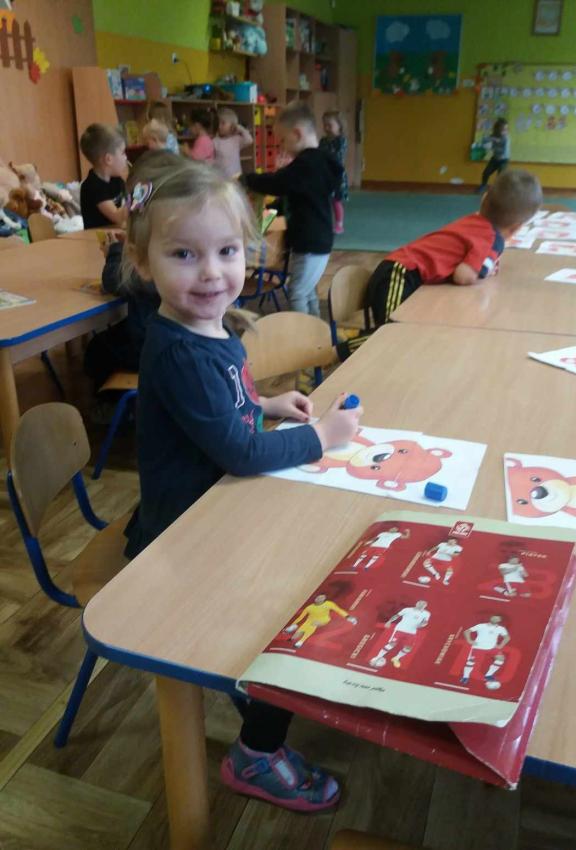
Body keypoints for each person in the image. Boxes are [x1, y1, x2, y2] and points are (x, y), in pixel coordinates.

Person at [122, 156, 363, 811]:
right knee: (295, 616)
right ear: (142, 261)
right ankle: (255, 753)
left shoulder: (208, 325)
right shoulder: (180, 349)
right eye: (184, 254)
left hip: (216, 508)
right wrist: (322, 437)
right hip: (186, 536)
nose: (211, 272)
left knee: (313, 575)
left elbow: (227, 412)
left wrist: (267, 403)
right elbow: (240, 450)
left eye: (226, 251)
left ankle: (261, 699)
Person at [336, 168, 543, 360]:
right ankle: (336, 352)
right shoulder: (491, 238)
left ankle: (353, 337)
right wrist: (482, 271)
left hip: (398, 272)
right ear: (516, 228)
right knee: (394, 332)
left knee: (401, 332)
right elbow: (463, 275)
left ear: (484, 199)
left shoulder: (476, 221)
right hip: (399, 276)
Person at [83, 151, 177, 396]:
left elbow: (114, 281)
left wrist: (115, 252)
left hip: (153, 346)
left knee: (96, 350)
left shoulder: (159, 262)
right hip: (173, 337)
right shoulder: (177, 235)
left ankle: (112, 404)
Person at [243, 101, 343, 316]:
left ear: (297, 134)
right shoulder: (313, 165)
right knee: (307, 291)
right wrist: (265, 218)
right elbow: (288, 200)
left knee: (297, 292)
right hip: (313, 241)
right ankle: (315, 330)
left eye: (282, 140)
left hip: (311, 243)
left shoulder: (308, 165)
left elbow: (277, 183)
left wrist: (247, 180)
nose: (281, 147)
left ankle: (301, 330)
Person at [79, 123, 128, 228]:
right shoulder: (93, 186)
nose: (126, 157)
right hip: (95, 237)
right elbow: (117, 216)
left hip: (114, 233)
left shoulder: (116, 179)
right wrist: (139, 196)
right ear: (108, 159)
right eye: (123, 153)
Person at [319, 110, 348, 234]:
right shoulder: (323, 141)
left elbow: (336, 156)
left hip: (337, 176)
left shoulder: (340, 140)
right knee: (324, 200)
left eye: (330, 125)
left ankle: (339, 224)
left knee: (336, 200)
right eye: (325, 125)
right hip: (325, 175)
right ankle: (325, 223)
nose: (326, 128)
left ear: (339, 126)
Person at [214, 107, 253, 179]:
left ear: (232, 125)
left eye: (223, 123)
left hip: (237, 177)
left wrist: (240, 128)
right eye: (218, 123)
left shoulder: (236, 139)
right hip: (222, 179)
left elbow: (249, 140)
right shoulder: (215, 141)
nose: (219, 126)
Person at [478, 118, 510, 193]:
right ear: (497, 129)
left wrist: (493, 146)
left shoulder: (506, 138)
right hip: (495, 159)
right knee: (486, 172)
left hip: (503, 160)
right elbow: (484, 141)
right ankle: (483, 186)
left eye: (506, 129)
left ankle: (499, 190)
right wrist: (488, 138)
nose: (505, 131)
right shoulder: (494, 135)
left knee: (500, 176)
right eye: (503, 129)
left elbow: (503, 151)